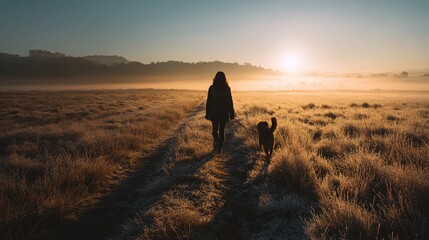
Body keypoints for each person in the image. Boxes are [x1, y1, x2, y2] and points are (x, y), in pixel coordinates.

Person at [205, 71, 235, 153]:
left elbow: (209, 101)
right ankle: (219, 147)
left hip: (214, 112)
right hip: (224, 112)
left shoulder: (212, 88)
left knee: (215, 130)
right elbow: (230, 101)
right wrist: (232, 113)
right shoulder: (227, 88)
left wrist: (207, 113)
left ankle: (216, 141)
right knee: (222, 131)